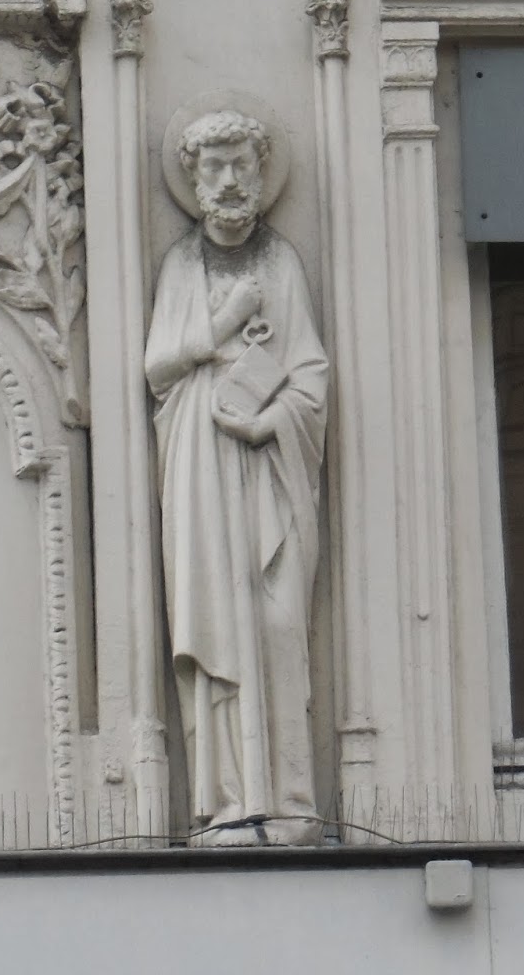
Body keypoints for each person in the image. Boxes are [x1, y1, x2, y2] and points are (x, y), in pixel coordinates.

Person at [145, 107, 328, 844]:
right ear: (193, 180)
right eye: (213, 168)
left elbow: (311, 376)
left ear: (259, 174)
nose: (227, 181)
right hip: (197, 467)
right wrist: (224, 326)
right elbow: (159, 366)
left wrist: (269, 421)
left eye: (239, 166)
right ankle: (225, 799)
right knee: (214, 621)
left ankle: (287, 799)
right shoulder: (182, 267)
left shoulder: (280, 262)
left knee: (278, 626)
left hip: (267, 473)